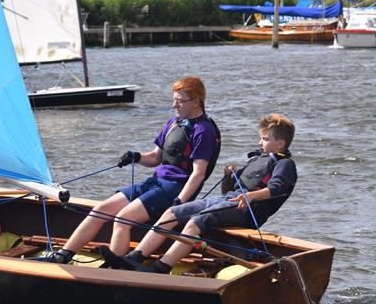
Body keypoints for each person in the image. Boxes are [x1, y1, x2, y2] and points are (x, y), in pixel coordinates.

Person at [37, 76, 221, 264]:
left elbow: (198, 174)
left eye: (180, 101)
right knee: (101, 209)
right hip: (155, 183)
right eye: (174, 100)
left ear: (197, 102)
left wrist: (180, 200)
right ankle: (62, 256)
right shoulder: (174, 123)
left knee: (122, 218)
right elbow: (155, 157)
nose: (175, 105)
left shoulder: (204, 131)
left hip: (174, 189)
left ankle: (114, 268)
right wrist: (137, 156)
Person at [105, 113, 297, 273]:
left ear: (280, 144)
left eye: (265, 139)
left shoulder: (284, 164)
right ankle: (136, 257)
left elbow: (277, 188)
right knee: (171, 213)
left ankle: (161, 266)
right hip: (228, 200)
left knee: (196, 221)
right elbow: (228, 191)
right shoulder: (257, 159)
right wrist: (228, 176)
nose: (260, 142)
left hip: (249, 209)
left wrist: (251, 196)